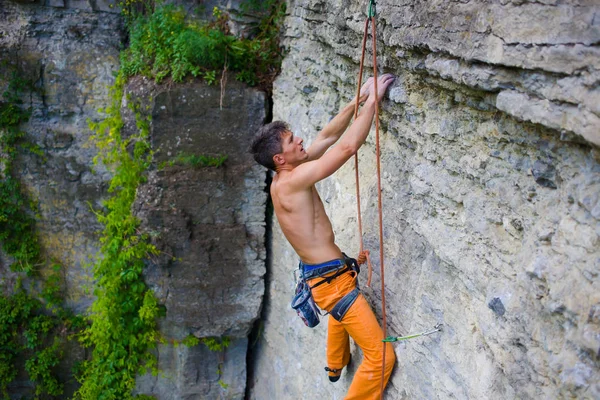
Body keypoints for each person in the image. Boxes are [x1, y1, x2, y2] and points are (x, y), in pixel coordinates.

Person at [250, 73, 396, 400]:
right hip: (332, 284)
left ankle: (334, 364)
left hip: (326, 277)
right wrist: (374, 101)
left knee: (343, 303)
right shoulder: (292, 182)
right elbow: (346, 147)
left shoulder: (286, 176)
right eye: (292, 142)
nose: (300, 141)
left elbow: (328, 137)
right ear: (280, 159)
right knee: (381, 356)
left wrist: (356, 100)